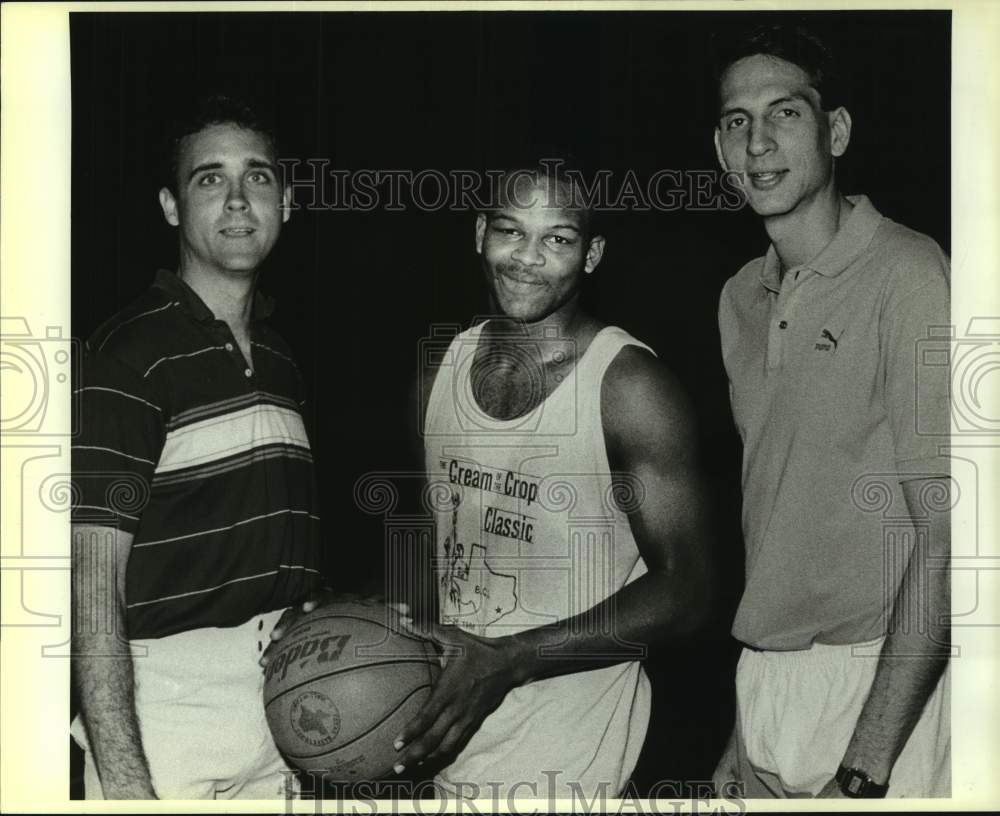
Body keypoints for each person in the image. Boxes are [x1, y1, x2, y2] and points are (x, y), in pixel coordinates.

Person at [395, 164, 717, 803]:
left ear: (592, 254)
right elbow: (435, 552)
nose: (527, 258)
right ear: (479, 233)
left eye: (558, 239)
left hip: (575, 776)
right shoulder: (439, 370)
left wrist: (512, 659)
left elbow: (690, 590)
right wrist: (370, 629)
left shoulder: (630, 388)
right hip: (450, 761)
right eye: (510, 231)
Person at [710, 25, 951, 798]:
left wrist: (868, 762)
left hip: (884, 687)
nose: (758, 144)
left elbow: (953, 533)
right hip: (766, 692)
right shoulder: (738, 298)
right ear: (719, 149)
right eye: (737, 122)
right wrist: (741, 733)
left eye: (785, 113)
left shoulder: (909, 271)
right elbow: (782, 530)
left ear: (835, 130)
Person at [70, 94, 324, 799]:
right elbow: (91, 593)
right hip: (163, 716)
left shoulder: (280, 358)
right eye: (210, 179)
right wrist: (125, 780)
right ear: (171, 206)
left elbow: (261, 553)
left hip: (281, 711)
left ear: (288, 201)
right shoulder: (128, 355)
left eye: (259, 177)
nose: (239, 200)